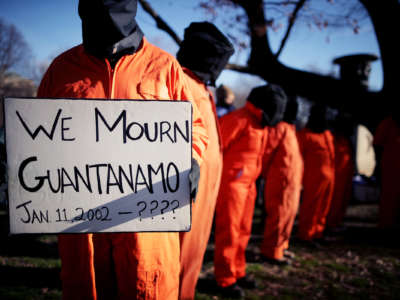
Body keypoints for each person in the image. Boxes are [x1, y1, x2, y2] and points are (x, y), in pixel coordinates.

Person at [37, 1, 209, 299]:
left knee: (146, 286)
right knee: (87, 285)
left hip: (147, 217)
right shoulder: (62, 69)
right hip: (82, 220)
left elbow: (194, 126)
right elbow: (37, 131)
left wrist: (191, 157)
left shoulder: (164, 66)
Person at [176, 22, 234, 300]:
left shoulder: (201, 87)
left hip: (205, 191)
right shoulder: (179, 81)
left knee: (194, 251)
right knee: (179, 252)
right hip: (187, 189)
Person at [214, 84, 287, 299]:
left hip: (249, 185)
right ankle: (224, 279)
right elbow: (217, 149)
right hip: (231, 186)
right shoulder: (238, 119)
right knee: (229, 232)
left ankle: (237, 271)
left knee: (244, 231)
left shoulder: (260, 124)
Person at [260, 97, 303, 265]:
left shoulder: (291, 128)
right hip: (279, 183)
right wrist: (266, 176)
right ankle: (271, 252)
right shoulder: (279, 128)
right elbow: (267, 154)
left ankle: (282, 247)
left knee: (288, 216)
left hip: (291, 184)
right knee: (278, 217)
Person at [296, 103, 335, 243]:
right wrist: (299, 181)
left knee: (324, 206)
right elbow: (298, 158)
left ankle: (318, 232)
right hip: (313, 176)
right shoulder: (305, 135)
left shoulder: (327, 134)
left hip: (329, 175)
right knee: (311, 206)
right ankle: (306, 234)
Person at [326, 112, 354, 233]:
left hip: (345, 174)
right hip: (337, 175)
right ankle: (331, 223)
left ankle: (336, 221)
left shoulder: (347, 141)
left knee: (342, 199)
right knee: (335, 200)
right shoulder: (334, 139)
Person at [373, 112, 400, 229]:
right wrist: (378, 165)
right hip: (389, 168)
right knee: (388, 197)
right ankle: (385, 225)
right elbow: (377, 145)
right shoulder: (388, 123)